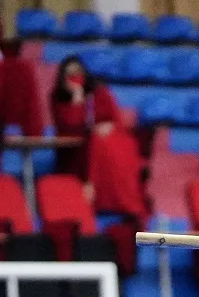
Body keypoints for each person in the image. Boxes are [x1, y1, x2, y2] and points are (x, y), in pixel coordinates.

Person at [50, 55, 147, 221]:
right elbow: (68, 128)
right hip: (75, 152)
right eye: (69, 74)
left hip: (102, 145)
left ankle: (125, 201)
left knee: (114, 143)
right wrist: (77, 100)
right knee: (97, 142)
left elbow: (115, 120)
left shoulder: (100, 92)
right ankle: (91, 190)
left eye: (78, 72)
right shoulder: (57, 98)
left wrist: (108, 127)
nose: (74, 77)